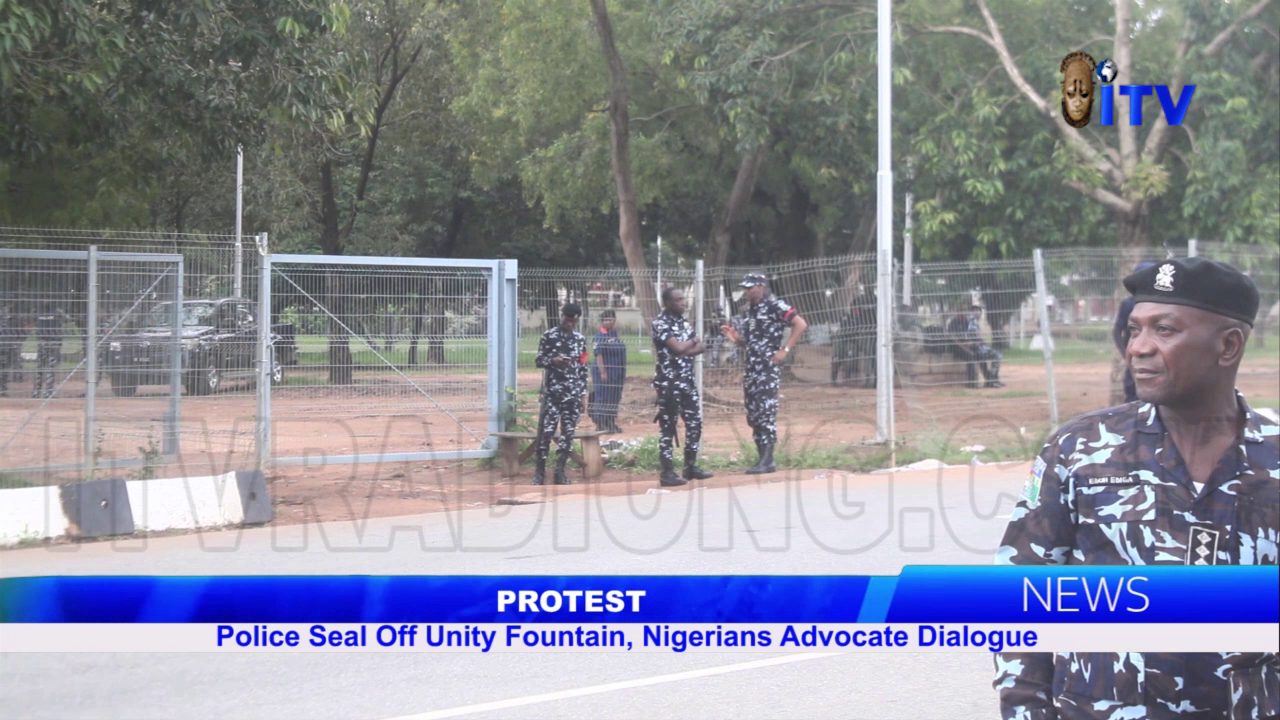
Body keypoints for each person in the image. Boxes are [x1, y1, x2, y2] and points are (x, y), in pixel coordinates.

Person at [993, 257, 1279, 719]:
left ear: (1228, 346)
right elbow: (1021, 592)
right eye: (1133, 330)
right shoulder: (1080, 450)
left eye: (1164, 330)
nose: (1138, 349)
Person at [720, 273, 808, 474]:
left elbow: (801, 324)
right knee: (753, 415)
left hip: (767, 369)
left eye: (751, 287)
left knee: (766, 413)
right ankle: (762, 460)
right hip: (751, 369)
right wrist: (736, 338)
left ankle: (768, 461)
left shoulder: (775, 306)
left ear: (761, 286)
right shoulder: (748, 312)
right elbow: (749, 341)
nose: (748, 291)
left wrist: (785, 350)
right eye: (745, 288)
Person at [651, 287, 713, 487]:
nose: (683, 303)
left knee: (695, 423)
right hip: (669, 383)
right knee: (668, 428)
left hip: (687, 381)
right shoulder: (660, 323)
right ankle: (667, 472)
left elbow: (700, 347)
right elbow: (678, 347)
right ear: (667, 303)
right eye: (678, 300)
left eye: (683, 299)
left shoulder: (683, 323)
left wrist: (683, 348)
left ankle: (690, 466)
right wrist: (690, 343)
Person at [532, 303, 588, 486]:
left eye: (573, 320)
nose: (569, 323)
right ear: (561, 316)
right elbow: (539, 360)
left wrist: (583, 394)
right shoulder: (549, 336)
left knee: (568, 434)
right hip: (553, 393)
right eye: (567, 319)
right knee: (546, 433)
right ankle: (539, 472)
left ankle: (560, 472)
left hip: (572, 394)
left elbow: (583, 367)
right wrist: (553, 361)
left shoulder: (580, 339)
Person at [1112, 261, 1158, 403]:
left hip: (1155, 358)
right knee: (1133, 393)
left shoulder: (1163, 304)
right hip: (1135, 359)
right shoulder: (1128, 304)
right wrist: (1126, 353)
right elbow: (1116, 331)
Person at [948, 303, 1004, 388]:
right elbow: (954, 340)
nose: (963, 312)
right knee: (971, 356)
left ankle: (990, 380)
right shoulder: (953, 322)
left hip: (970, 346)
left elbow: (973, 337)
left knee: (984, 355)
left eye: (964, 310)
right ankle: (972, 383)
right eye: (961, 310)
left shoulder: (968, 322)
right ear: (957, 312)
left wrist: (977, 343)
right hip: (957, 347)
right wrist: (966, 347)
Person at [589, 309, 626, 434]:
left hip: (617, 372)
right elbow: (598, 354)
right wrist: (603, 371)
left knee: (614, 397)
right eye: (605, 320)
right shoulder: (600, 336)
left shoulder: (614, 335)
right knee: (603, 396)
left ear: (614, 320)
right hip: (604, 372)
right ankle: (601, 423)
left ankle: (610, 421)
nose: (608, 322)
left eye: (610, 319)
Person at [32, 301, 65, 399]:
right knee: (49, 368)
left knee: (40, 367)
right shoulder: (57, 312)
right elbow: (67, 319)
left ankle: (37, 392)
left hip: (43, 342)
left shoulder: (38, 313)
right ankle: (47, 391)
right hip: (52, 342)